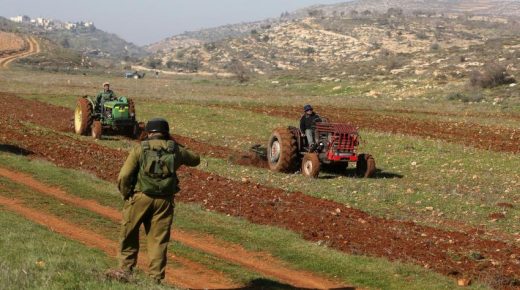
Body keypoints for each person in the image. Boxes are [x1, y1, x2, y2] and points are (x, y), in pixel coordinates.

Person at [115, 117, 200, 283]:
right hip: (164, 202)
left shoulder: (140, 149)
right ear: (166, 132)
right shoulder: (175, 150)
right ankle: (155, 280)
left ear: (148, 132)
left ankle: (125, 272)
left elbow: (124, 176)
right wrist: (176, 144)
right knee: (158, 241)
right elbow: (196, 159)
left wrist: (127, 194)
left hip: (139, 198)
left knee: (129, 235)